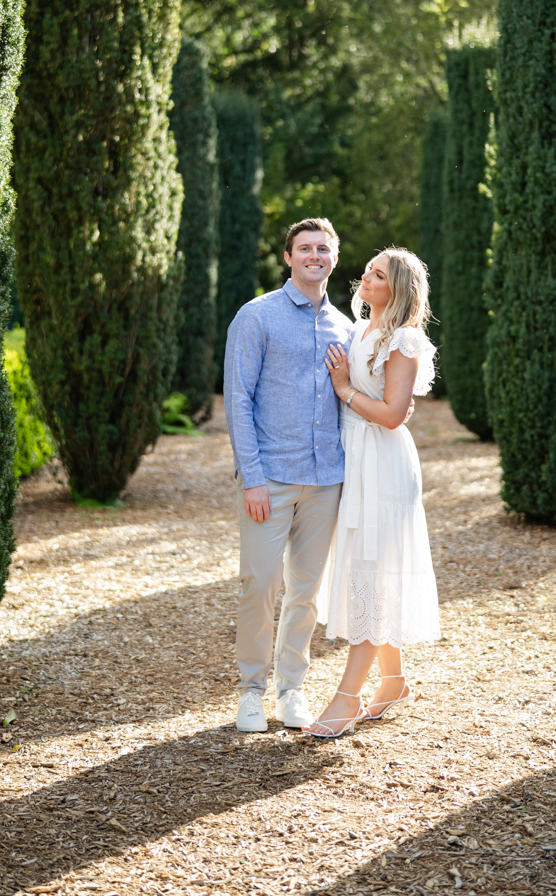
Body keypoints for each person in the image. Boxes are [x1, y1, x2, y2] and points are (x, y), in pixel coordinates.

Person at [224, 217, 354, 733]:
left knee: (306, 592)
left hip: (326, 482)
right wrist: (251, 477)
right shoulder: (256, 317)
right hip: (270, 479)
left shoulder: (346, 328)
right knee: (259, 583)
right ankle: (251, 691)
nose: (314, 256)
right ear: (288, 257)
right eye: (305, 248)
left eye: (323, 248)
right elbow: (238, 400)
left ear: (334, 259)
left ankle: (291, 689)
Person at [304, 247, 440, 739]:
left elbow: (392, 413)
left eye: (377, 274)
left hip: (382, 463)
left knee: (370, 571)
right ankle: (395, 681)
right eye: (367, 269)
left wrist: (343, 389)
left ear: (398, 288)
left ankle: (346, 697)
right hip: (353, 459)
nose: (365, 277)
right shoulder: (359, 329)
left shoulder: (404, 339)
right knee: (367, 569)